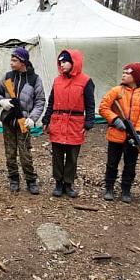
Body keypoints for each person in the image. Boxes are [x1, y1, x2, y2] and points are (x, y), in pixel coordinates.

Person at [41, 50, 95, 198]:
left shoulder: (86, 81)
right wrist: (46, 119)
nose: (62, 65)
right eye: (60, 62)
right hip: (58, 121)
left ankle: (68, 184)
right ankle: (58, 183)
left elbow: (90, 104)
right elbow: (51, 102)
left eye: (65, 62)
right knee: (57, 155)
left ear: (74, 62)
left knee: (72, 156)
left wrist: (89, 122)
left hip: (75, 123)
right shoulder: (57, 80)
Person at [98, 63, 140, 203]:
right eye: (123, 73)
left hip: (133, 137)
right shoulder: (116, 91)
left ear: (136, 77)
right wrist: (115, 119)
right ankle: (109, 188)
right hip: (115, 135)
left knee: (130, 165)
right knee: (112, 163)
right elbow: (103, 107)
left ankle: (126, 190)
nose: (123, 75)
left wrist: (139, 132)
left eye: (127, 73)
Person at [0, 47, 45, 193]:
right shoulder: (7, 77)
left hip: (24, 122)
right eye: (11, 60)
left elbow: (40, 101)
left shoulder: (35, 79)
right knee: (10, 153)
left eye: (14, 60)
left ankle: (31, 180)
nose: (11, 63)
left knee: (25, 153)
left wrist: (33, 118)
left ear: (23, 62)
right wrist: (2, 102)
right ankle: (13, 179)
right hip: (8, 120)